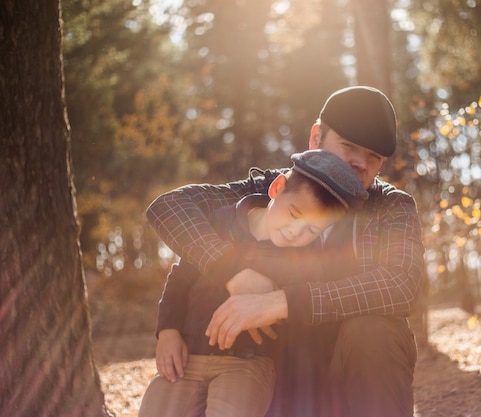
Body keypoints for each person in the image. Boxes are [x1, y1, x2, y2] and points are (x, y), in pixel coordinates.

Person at [146, 86, 425, 417]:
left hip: (344, 369)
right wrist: (232, 272)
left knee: (375, 331)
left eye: (374, 157)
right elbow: (170, 207)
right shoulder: (275, 189)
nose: (360, 163)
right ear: (316, 137)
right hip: (270, 370)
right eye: (348, 145)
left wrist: (281, 303)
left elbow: (402, 285)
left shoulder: (391, 207)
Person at [138, 149, 369, 417]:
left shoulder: (306, 260)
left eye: (311, 230)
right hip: (187, 357)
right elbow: (181, 277)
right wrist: (167, 331)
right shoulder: (220, 221)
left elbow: (301, 314)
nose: (296, 232)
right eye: (295, 215)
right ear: (278, 187)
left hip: (247, 365)